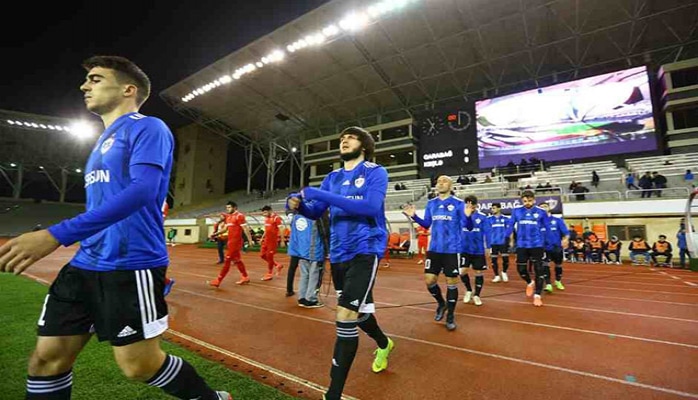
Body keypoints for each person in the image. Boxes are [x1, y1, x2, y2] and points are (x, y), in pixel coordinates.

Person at [0, 56, 231, 400]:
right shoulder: (101, 143)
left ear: (128, 89)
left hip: (130, 264)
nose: (84, 86)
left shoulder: (148, 127)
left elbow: (143, 191)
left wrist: (55, 234)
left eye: (95, 78)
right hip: (84, 265)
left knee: (139, 366)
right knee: (46, 360)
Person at [287, 126, 394, 400]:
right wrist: (299, 206)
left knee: (345, 315)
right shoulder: (331, 178)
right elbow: (316, 212)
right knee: (357, 314)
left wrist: (319, 195)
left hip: (365, 249)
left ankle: (332, 394)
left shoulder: (375, 172)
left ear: (365, 145)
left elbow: (370, 207)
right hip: (338, 253)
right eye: (342, 138)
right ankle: (384, 343)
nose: (344, 140)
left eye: (352, 137)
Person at [403, 175, 468, 330]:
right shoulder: (431, 203)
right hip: (434, 249)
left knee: (451, 283)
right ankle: (441, 303)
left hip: (452, 249)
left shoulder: (459, 204)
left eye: (444, 181)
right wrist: (414, 216)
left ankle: (450, 316)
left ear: (451, 186)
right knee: (429, 280)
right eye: (438, 181)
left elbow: (468, 225)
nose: (440, 183)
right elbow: (426, 224)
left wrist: (469, 216)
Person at [506, 190, 549, 307]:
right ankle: (530, 282)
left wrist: (548, 242)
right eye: (525, 201)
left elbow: (547, 227)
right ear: (522, 201)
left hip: (537, 245)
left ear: (534, 200)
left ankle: (537, 295)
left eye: (529, 201)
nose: (527, 203)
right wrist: (506, 238)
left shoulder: (541, 212)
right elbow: (510, 225)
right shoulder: (516, 211)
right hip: (522, 245)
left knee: (539, 270)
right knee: (521, 270)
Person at [209, 201, 254, 287]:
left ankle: (218, 280)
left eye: (229, 207)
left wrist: (250, 240)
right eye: (227, 208)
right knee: (237, 260)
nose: (227, 209)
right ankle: (245, 277)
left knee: (227, 260)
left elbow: (245, 228)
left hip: (236, 243)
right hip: (230, 242)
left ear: (235, 208)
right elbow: (225, 229)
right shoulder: (228, 217)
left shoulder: (239, 216)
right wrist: (215, 234)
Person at [287, 211, 326, 308]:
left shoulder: (296, 216)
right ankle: (311, 299)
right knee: (314, 276)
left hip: (300, 250)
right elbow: (325, 232)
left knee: (304, 275)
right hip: (314, 251)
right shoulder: (316, 214)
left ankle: (302, 298)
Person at [461, 195, 490, 306]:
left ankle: (477, 295)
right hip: (464, 249)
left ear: (476, 205)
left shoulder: (482, 217)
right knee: (462, 271)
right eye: (468, 205)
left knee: (478, 272)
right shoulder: (461, 216)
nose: (470, 207)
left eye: (472, 205)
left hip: (478, 249)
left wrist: (488, 246)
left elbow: (488, 232)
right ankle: (468, 290)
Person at [539, 202, 569, 292]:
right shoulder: (537, 223)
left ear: (549, 208)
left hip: (556, 247)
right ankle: (548, 284)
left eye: (545, 206)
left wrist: (565, 239)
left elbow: (566, 233)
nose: (543, 208)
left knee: (558, 265)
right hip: (544, 248)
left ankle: (558, 281)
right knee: (545, 265)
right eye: (541, 208)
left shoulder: (557, 220)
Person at [487, 203, 511, 283]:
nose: (492, 210)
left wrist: (511, 241)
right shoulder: (489, 219)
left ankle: (504, 272)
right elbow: (487, 232)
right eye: (492, 208)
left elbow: (510, 231)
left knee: (505, 259)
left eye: (494, 208)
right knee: (493, 260)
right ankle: (497, 275)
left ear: (499, 208)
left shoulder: (506, 219)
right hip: (493, 242)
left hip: (503, 242)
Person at [260, 205, 284, 281]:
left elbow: (281, 229)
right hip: (266, 240)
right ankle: (277, 265)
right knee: (262, 255)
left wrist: (282, 240)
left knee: (269, 257)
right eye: (263, 213)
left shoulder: (276, 218)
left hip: (272, 242)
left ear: (270, 211)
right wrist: (262, 238)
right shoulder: (266, 219)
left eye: (265, 212)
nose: (264, 214)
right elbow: (266, 229)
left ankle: (269, 274)